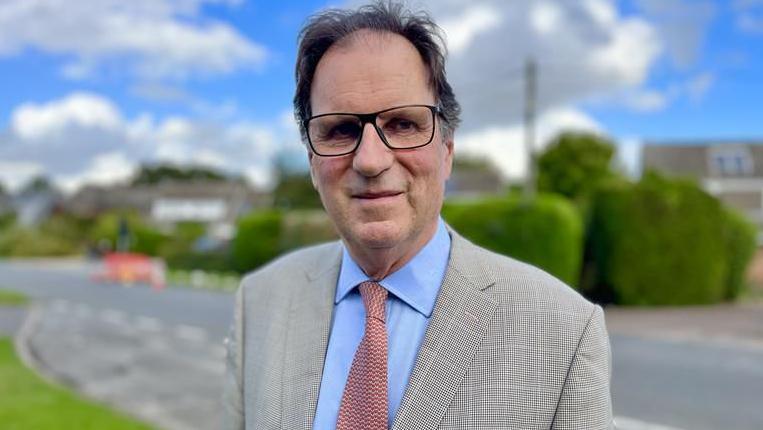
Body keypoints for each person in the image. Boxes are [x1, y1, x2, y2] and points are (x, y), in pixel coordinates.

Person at [222, 2, 613, 429]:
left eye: (403, 124)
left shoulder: (565, 331)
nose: (370, 160)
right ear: (313, 163)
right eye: (340, 130)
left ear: (446, 151)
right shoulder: (259, 301)